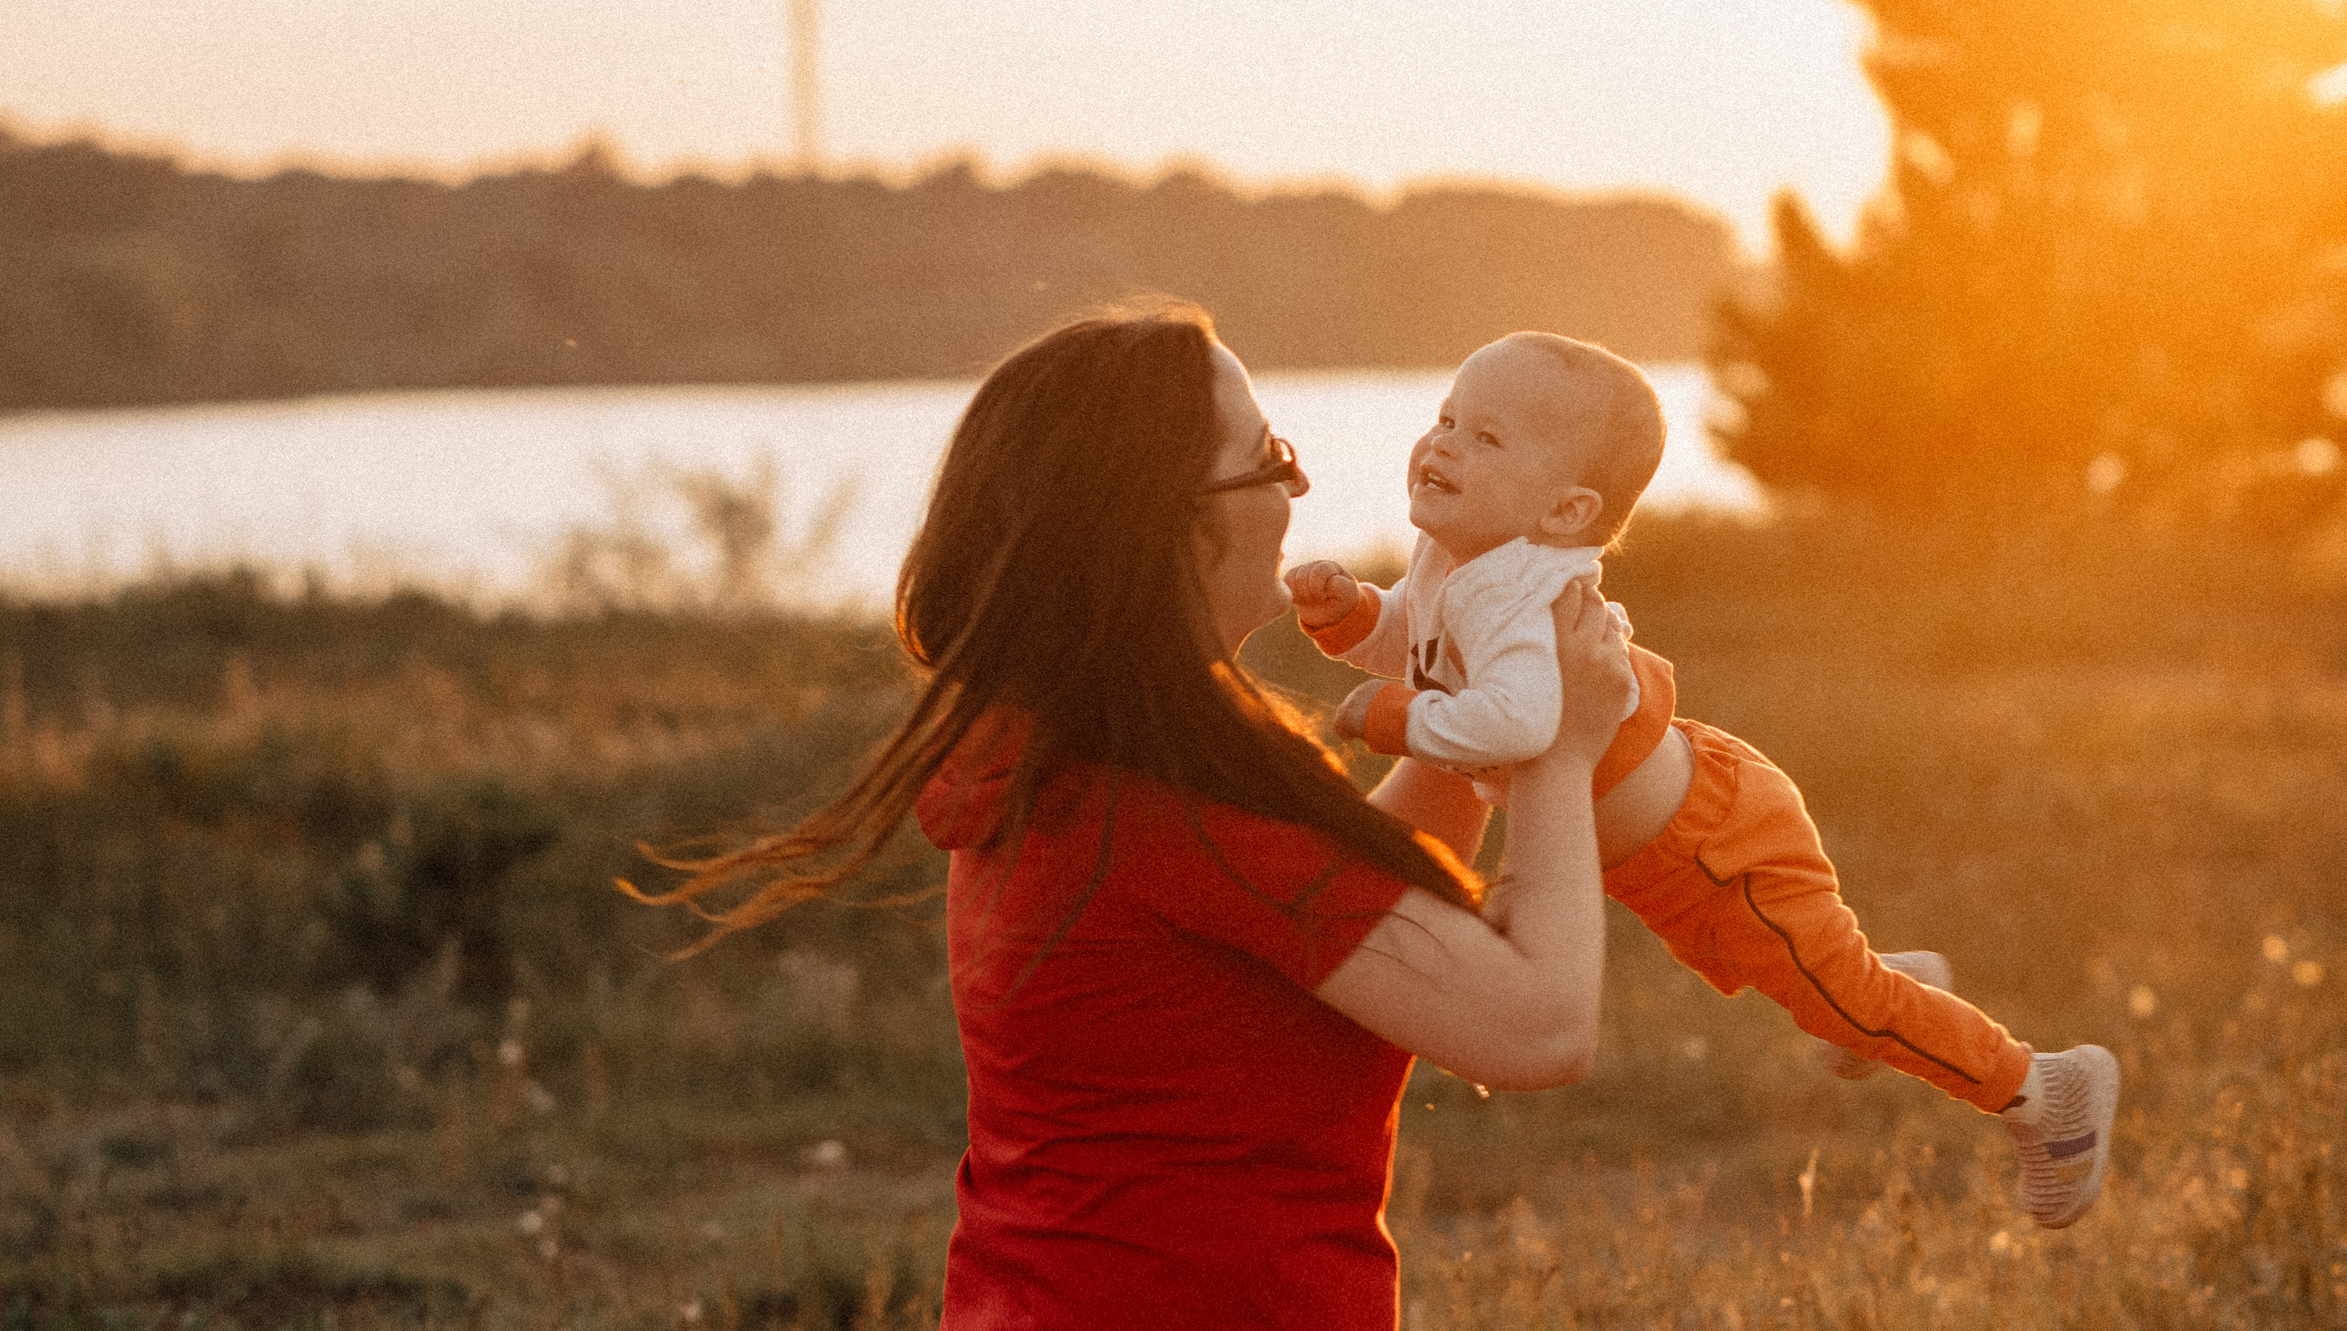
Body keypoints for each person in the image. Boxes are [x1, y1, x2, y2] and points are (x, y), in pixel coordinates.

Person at [633, 304, 1634, 1330]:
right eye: (1266, 460)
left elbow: (1349, 917)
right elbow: (1536, 1027)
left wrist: (1470, 699)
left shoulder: (1058, 750)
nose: (1294, 491)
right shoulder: (1176, 812)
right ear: (1171, 521)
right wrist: (1559, 750)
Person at [1286, 331, 2120, 1230]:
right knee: (1806, 978)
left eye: (1486, 438)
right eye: (1446, 418)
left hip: (1722, 844)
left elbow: (1520, 720)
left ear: (1567, 511)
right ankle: (1873, 998)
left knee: (1844, 992)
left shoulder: (1528, 595)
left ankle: (2045, 1091)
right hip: (1668, 857)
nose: (1443, 443)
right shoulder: (1463, 559)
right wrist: (1359, 616)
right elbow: (1425, 639)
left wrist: (1393, 717)